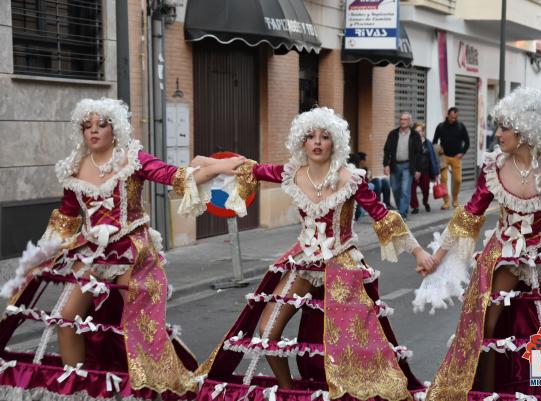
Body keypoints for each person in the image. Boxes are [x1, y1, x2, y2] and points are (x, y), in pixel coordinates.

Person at [0, 98, 244, 400]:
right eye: (86, 126)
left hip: (133, 252)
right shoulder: (73, 168)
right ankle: (78, 389)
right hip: (92, 254)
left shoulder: (133, 159)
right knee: (65, 319)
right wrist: (39, 257)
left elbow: (174, 177)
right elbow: (66, 218)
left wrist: (220, 165)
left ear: (114, 129)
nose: (93, 131)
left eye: (101, 124)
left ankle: (145, 390)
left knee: (137, 329)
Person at [194, 107, 435, 401]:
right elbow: (249, 168)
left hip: (342, 265)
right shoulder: (291, 174)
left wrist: (419, 252)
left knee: (348, 346)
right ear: (302, 142)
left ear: (335, 142)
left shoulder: (350, 178)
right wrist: (210, 163)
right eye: (310, 136)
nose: (317, 142)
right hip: (305, 262)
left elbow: (383, 216)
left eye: (324, 136)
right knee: (267, 333)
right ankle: (289, 393)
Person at [416, 88, 541, 399]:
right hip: (504, 253)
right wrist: (436, 257)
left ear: (525, 130)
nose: (498, 134)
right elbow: (469, 216)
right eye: (498, 126)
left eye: (504, 127)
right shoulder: (494, 167)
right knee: (484, 327)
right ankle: (487, 395)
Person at [383, 112, 421, 218]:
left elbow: (419, 153)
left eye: (405, 119)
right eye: (401, 119)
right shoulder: (393, 134)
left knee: (405, 190)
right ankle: (401, 209)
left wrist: (418, 169)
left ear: (409, 121)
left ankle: (403, 214)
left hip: (408, 166)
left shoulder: (415, 135)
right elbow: (387, 150)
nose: (402, 121)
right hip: (395, 165)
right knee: (395, 189)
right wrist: (386, 165)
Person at [433, 107, 470, 210]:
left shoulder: (460, 127)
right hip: (444, 157)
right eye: (452, 117)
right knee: (443, 179)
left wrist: (462, 152)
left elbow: (467, 142)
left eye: (455, 117)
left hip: (456, 157)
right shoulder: (440, 127)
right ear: (448, 115)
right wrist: (439, 150)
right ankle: (446, 202)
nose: (454, 119)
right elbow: (434, 142)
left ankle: (455, 198)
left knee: (458, 180)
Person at [410, 122, 440, 214]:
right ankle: (415, 207)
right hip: (414, 170)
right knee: (412, 190)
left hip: (425, 170)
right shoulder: (411, 142)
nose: (419, 133)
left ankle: (425, 202)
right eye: (417, 131)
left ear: (423, 132)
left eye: (420, 131)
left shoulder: (428, 143)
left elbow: (433, 158)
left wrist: (436, 172)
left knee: (426, 189)